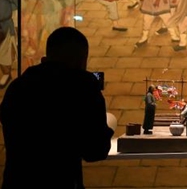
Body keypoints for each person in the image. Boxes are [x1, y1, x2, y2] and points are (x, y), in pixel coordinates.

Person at [1, 26, 113, 189]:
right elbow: (95, 151)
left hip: (18, 182)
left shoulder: (18, 86)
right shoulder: (82, 86)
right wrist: (108, 126)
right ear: (82, 59)